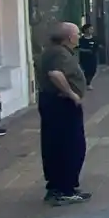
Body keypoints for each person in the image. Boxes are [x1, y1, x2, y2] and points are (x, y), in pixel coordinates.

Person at [36, 22, 90, 205]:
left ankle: (64, 186)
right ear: (68, 37)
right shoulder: (58, 53)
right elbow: (55, 74)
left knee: (63, 145)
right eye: (76, 34)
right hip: (60, 104)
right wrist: (72, 94)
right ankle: (63, 188)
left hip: (57, 103)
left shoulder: (58, 51)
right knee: (69, 146)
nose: (78, 37)